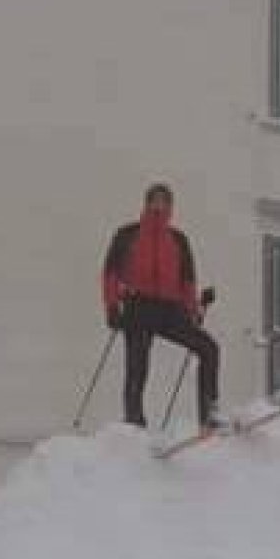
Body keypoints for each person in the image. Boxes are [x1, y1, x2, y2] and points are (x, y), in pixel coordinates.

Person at [101, 183, 220, 429]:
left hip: (169, 309)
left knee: (208, 348)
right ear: (146, 204)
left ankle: (208, 413)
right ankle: (134, 420)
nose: (159, 205)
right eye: (155, 200)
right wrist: (112, 307)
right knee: (137, 365)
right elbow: (110, 273)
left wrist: (195, 308)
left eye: (164, 201)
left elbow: (187, 279)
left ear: (171, 206)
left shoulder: (178, 239)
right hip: (138, 305)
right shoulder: (128, 234)